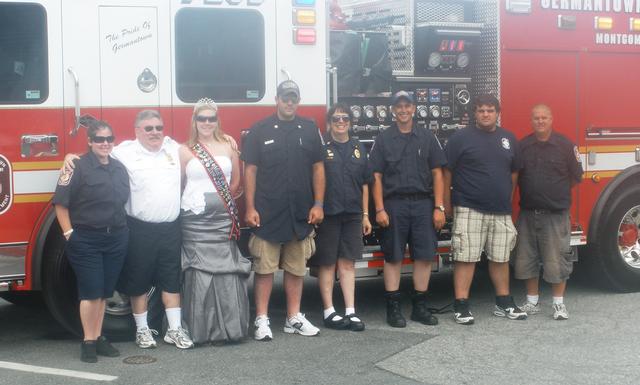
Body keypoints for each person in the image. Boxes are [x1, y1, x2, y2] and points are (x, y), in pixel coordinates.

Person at [64, 110, 194, 349]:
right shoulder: (124, 152)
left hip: (170, 228)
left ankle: (174, 329)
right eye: (148, 128)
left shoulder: (174, 149)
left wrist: (226, 141)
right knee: (139, 282)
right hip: (139, 228)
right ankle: (142, 330)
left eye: (158, 127)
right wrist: (71, 156)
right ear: (137, 131)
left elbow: (200, 150)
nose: (155, 132)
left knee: (172, 281)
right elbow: (96, 152)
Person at [241, 80, 325, 341]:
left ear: (298, 101)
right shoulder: (259, 130)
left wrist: (319, 203)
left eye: (294, 98)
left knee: (296, 268)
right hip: (267, 212)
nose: (290, 102)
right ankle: (262, 319)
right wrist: (251, 207)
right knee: (264, 269)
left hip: (300, 213)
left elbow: (318, 168)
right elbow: (250, 170)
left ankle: (293, 317)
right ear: (276, 99)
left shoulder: (310, 129)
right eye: (285, 97)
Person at [443, 94, 527, 325]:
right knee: (465, 258)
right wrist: (446, 203)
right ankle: (461, 306)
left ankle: (504, 302)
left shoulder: (508, 138)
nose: (486, 114)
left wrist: (507, 199)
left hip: (500, 210)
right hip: (469, 207)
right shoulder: (460, 138)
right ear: (474, 113)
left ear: (498, 113)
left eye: (490, 110)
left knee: (500, 258)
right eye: (481, 110)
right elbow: (446, 171)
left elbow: (514, 172)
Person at [369, 90, 447, 328]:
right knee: (393, 256)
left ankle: (419, 307)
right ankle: (393, 308)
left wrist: (439, 207)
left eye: (407, 106)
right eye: (398, 107)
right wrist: (380, 209)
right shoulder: (383, 139)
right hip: (394, 204)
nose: (403, 110)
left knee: (424, 256)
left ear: (414, 108)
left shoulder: (427, 137)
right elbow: (376, 176)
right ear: (393, 110)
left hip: (424, 203)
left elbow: (437, 173)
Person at [53, 121, 129, 362]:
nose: (105, 143)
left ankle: (99, 337)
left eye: (109, 138)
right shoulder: (76, 166)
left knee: (104, 293)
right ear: (90, 141)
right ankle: (88, 341)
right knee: (90, 292)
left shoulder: (119, 168)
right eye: (99, 139)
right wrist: (69, 234)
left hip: (116, 237)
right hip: (86, 239)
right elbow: (60, 204)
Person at [179, 98, 251, 344]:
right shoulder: (184, 149)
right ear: (195, 121)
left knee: (226, 271)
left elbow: (236, 184)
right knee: (199, 271)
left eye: (211, 118)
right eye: (202, 118)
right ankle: (201, 330)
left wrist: (221, 206)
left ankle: (230, 330)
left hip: (222, 219)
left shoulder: (229, 145)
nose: (207, 123)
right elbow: (179, 185)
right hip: (195, 222)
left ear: (217, 120)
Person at [513, 104, 583, 320]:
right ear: (531, 121)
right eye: (536, 118)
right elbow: (515, 176)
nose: (540, 121)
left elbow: (576, 177)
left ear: (551, 119)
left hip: (555, 213)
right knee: (526, 258)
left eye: (544, 117)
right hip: (527, 212)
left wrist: (554, 193)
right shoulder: (522, 146)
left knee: (557, 259)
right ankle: (532, 301)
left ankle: (558, 304)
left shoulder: (565, 145)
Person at [308, 103, 371, 332]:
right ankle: (328, 311)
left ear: (350, 123)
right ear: (329, 123)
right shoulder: (321, 147)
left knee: (348, 263)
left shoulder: (358, 147)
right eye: (336, 119)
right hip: (329, 214)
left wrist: (365, 215)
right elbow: (314, 179)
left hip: (353, 214)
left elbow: (365, 183)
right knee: (327, 263)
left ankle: (350, 311)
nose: (341, 122)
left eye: (345, 118)